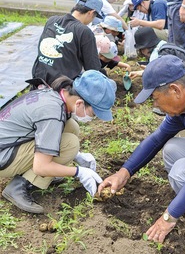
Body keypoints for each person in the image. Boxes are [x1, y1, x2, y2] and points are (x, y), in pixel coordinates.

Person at [98, 55, 185, 249]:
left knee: (182, 172)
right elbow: (157, 139)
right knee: (172, 149)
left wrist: (168, 217)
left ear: (175, 90)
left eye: (155, 99)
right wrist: (124, 172)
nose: (155, 106)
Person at [0, 70, 116, 214]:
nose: (93, 118)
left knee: (71, 127)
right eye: (93, 114)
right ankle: (19, 186)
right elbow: (41, 166)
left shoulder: (56, 95)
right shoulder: (52, 112)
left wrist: (78, 156)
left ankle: (45, 176)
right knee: (70, 144)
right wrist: (79, 172)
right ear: (79, 103)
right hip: (4, 156)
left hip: (9, 144)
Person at [32, 0, 103, 86]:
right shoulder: (84, 31)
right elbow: (93, 68)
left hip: (38, 77)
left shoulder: (52, 20)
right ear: (91, 12)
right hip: (61, 84)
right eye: (94, 17)